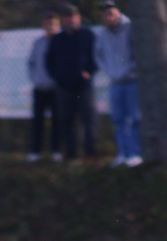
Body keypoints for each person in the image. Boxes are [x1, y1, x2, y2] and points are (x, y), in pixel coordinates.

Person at [45, 4, 98, 161]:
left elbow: (96, 57)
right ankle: (71, 155)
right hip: (64, 87)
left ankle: (90, 154)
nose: (71, 19)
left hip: (83, 87)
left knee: (89, 121)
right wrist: (58, 77)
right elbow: (49, 62)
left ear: (78, 17)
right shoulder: (57, 39)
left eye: (73, 16)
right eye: (67, 16)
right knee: (67, 121)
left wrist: (89, 71)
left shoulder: (88, 35)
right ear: (63, 19)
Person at [95, 1, 142, 168]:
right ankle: (122, 153)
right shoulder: (102, 33)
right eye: (105, 14)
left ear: (117, 12)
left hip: (132, 80)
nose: (108, 16)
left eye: (110, 13)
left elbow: (139, 52)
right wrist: (110, 71)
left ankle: (135, 154)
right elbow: (99, 55)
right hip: (115, 82)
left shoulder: (131, 27)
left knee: (135, 118)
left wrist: (128, 70)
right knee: (118, 119)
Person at [26, 12, 62, 163]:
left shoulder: (62, 42)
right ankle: (36, 151)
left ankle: (56, 151)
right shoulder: (38, 43)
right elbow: (31, 63)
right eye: (47, 24)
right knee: (38, 122)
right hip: (40, 88)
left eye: (53, 24)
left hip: (56, 89)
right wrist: (36, 79)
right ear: (43, 26)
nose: (50, 27)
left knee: (57, 121)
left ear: (58, 26)